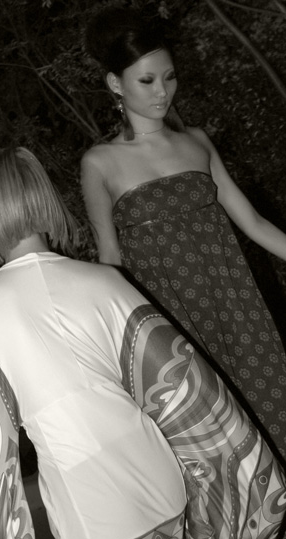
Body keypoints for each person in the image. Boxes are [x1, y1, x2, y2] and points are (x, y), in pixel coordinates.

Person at [0, 147, 286, 539]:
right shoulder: (105, 281)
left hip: (92, 505)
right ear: (44, 198)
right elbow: (185, 384)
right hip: (161, 484)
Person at [81, 7, 286, 464]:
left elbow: (253, 223)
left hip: (237, 305)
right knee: (211, 449)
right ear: (116, 83)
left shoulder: (196, 142)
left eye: (169, 77)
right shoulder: (100, 163)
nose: (162, 91)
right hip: (169, 323)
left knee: (272, 415)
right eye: (146, 80)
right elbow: (109, 261)